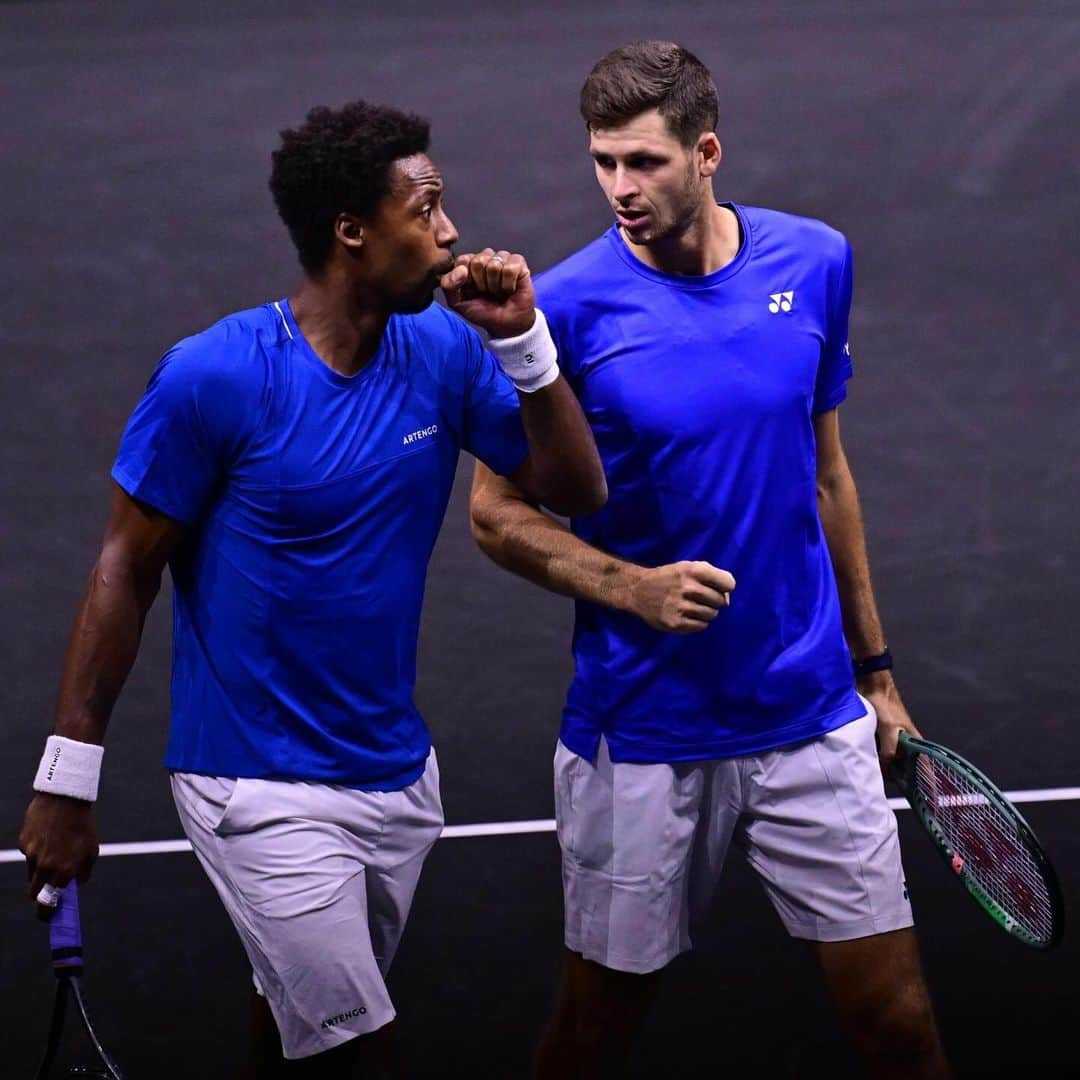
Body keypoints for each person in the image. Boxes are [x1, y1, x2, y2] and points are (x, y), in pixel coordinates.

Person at [18, 99, 605, 1078]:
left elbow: (575, 490)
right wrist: (65, 783)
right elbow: (125, 566)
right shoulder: (213, 378)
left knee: (294, 1025)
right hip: (254, 786)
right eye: (427, 210)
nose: (453, 231)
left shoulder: (447, 351)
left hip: (397, 779)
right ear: (353, 232)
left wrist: (523, 343)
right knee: (355, 1049)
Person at [470, 42, 951, 1080]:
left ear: (707, 151)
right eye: (603, 163)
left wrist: (878, 674)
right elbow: (495, 515)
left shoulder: (815, 261)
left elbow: (827, 476)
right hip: (640, 729)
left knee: (899, 1024)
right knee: (596, 1031)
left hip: (809, 714)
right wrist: (629, 587)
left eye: (643, 162)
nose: (619, 189)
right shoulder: (562, 309)